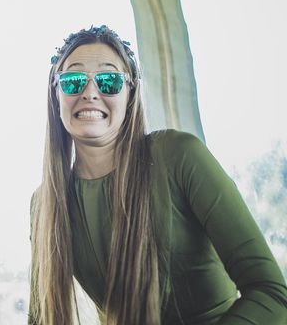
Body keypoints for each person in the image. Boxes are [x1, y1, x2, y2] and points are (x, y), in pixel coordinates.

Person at [29, 25, 287, 325]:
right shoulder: (43, 204)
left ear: (131, 95)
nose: (89, 93)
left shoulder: (179, 156)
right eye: (73, 81)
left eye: (109, 80)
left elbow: (272, 294)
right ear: (56, 95)